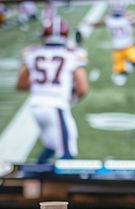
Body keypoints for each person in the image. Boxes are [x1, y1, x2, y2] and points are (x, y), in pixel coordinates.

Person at [16, 16, 88, 164]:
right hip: (55, 106)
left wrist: (43, 86)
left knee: (51, 146)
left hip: (36, 105)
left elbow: (21, 84)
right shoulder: (73, 54)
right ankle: (61, 185)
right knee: (67, 153)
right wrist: (70, 96)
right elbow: (82, 88)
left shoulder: (32, 53)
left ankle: (35, 175)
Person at [96, 0, 135, 86]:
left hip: (122, 47)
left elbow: (100, 23)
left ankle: (126, 67)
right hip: (123, 47)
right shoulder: (127, 17)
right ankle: (125, 68)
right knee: (120, 70)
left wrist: (90, 23)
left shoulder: (108, 18)